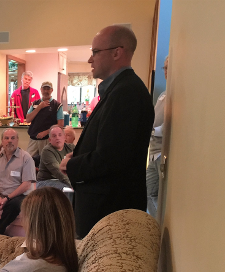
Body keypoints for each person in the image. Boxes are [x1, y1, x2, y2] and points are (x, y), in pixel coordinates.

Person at [60, 25, 154, 239]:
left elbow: (111, 158)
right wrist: (78, 155)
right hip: (103, 208)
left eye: (95, 52)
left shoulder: (126, 93)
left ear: (117, 52)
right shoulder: (118, 90)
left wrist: (72, 164)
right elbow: (110, 144)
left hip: (109, 211)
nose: (90, 60)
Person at [146, 56, 168, 218]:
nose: (166, 71)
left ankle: (159, 226)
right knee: (148, 193)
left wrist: (153, 131)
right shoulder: (163, 95)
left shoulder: (177, 95)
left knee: (158, 195)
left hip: (163, 153)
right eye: (164, 67)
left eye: (168, 67)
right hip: (153, 153)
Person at [25, 81, 64, 157]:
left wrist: (46, 132)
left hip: (48, 140)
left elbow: (60, 125)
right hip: (33, 139)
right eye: (44, 89)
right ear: (41, 89)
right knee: (28, 161)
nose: (46, 91)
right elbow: (28, 119)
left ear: (51, 90)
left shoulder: (57, 105)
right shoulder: (34, 104)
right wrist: (39, 107)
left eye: (48, 89)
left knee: (46, 162)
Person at [37, 125, 73, 193]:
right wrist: (73, 184)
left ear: (64, 137)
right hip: (46, 181)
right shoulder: (47, 151)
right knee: (67, 189)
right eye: (54, 136)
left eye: (60, 135)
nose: (57, 138)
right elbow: (58, 172)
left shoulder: (71, 148)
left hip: (62, 180)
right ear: (50, 140)